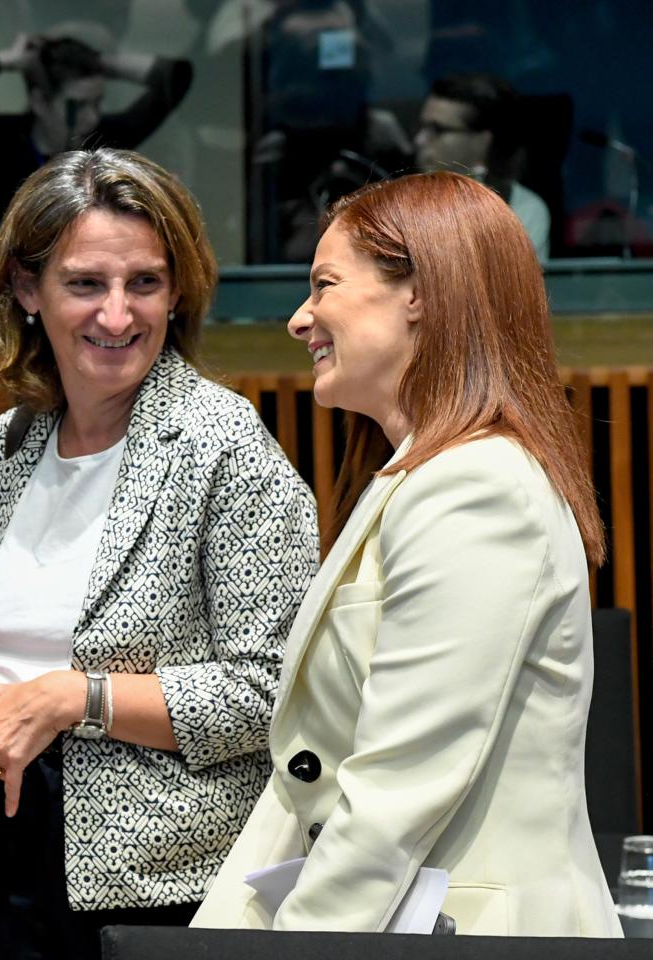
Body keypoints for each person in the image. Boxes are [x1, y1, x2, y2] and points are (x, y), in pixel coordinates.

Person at [192, 172, 620, 935]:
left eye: (323, 284)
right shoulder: (424, 475)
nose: (300, 319)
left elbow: (399, 787)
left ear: (418, 291)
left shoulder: (476, 486)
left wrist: (299, 949)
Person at [0, 147, 318, 960]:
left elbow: (274, 689)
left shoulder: (225, 445)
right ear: (27, 292)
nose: (116, 315)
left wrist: (78, 697)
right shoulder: (10, 445)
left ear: (178, 294)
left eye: (145, 283)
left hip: (164, 881)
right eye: (85, 284)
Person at [0, 33, 192, 221]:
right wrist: (8, 59)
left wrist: (101, 62)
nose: (91, 117)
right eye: (77, 106)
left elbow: (176, 77)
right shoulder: (1, 144)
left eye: (97, 103)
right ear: (38, 102)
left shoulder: (101, 140)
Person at [414, 73, 551, 258]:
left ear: (482, 141)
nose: (419, 140)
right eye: (423, 127)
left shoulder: (523, 210)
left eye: (438, 130)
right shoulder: (396, 203)